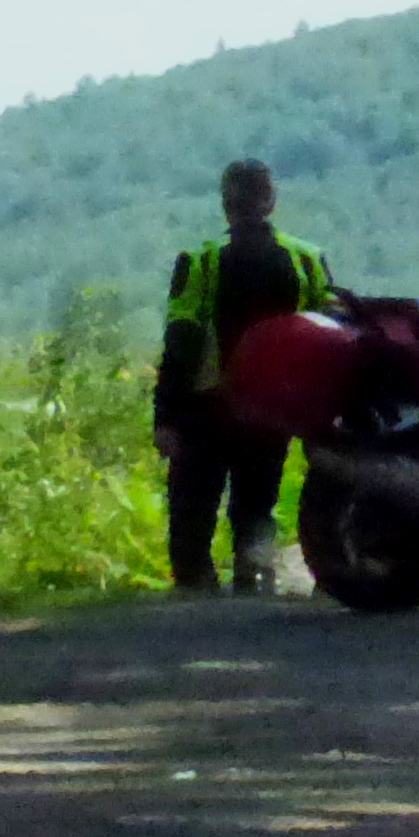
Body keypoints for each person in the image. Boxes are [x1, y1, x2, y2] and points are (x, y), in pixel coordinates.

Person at [154, 158, 333, 594]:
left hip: (207, 406)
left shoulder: (200, 262)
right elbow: (329, 334)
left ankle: (196, 591)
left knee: (193, 507)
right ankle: (255, 580)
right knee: (257, 502)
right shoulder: (307, 260)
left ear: (225, 204)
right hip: (271, 408)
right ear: (271, 201)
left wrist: (165, 415)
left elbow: (182, 340)